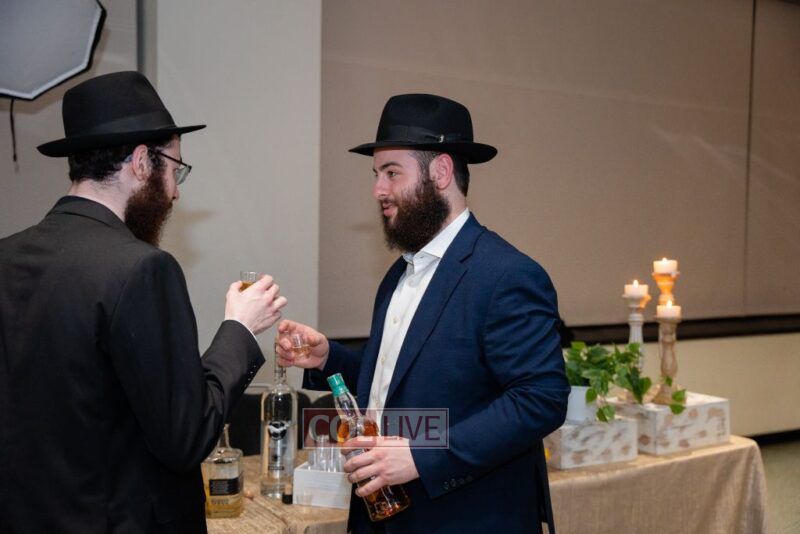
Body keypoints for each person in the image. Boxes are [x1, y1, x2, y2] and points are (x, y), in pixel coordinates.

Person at [0, 71, 287, 533]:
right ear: (140, 161)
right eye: (175, 168)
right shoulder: (142, 269)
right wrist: (240, 329)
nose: (175, 190)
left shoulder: (6, 255)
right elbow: (186, 436)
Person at [277, 94, 569, 533]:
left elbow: (540, 399)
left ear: (442, 172)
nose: (378, 190)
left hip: (466, 520)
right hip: (385, 516)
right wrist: (327, 359)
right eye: (377, 175)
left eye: (392, 173)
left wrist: (421, 457)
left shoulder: (506, 274)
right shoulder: (399, 273)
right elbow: (398, 383)